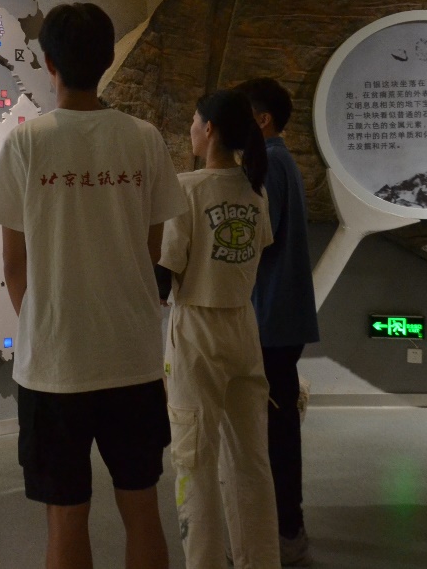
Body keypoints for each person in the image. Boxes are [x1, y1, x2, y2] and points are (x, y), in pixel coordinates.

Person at [0, 2, 187, 569]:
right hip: (133, 358)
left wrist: (42, 323)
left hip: (54, 365)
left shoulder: (26, 143)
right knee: (142, 507)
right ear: (106, 60)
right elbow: (151, 251)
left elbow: (14, 263)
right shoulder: (144, 139)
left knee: (65, 516)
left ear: (49, 63)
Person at [158, 89, 279, 569]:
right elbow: (258, 249)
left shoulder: (186, 189)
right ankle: (261, 561)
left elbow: (166, 269)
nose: (190, 129)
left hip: (197, 330)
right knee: (251, 460)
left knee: (194, 459)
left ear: (208, 129)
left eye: (193, 121)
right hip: (243, 328)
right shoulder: (255, 190)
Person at [235, 78, 319, 567]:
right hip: (278, 316)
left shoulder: (269, 163)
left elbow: (256, 236)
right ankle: (283, 529)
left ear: (262, 119)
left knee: (275, 430)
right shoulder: (279, 160)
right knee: (276, 424)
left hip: (270, 317)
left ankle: (286, 531)